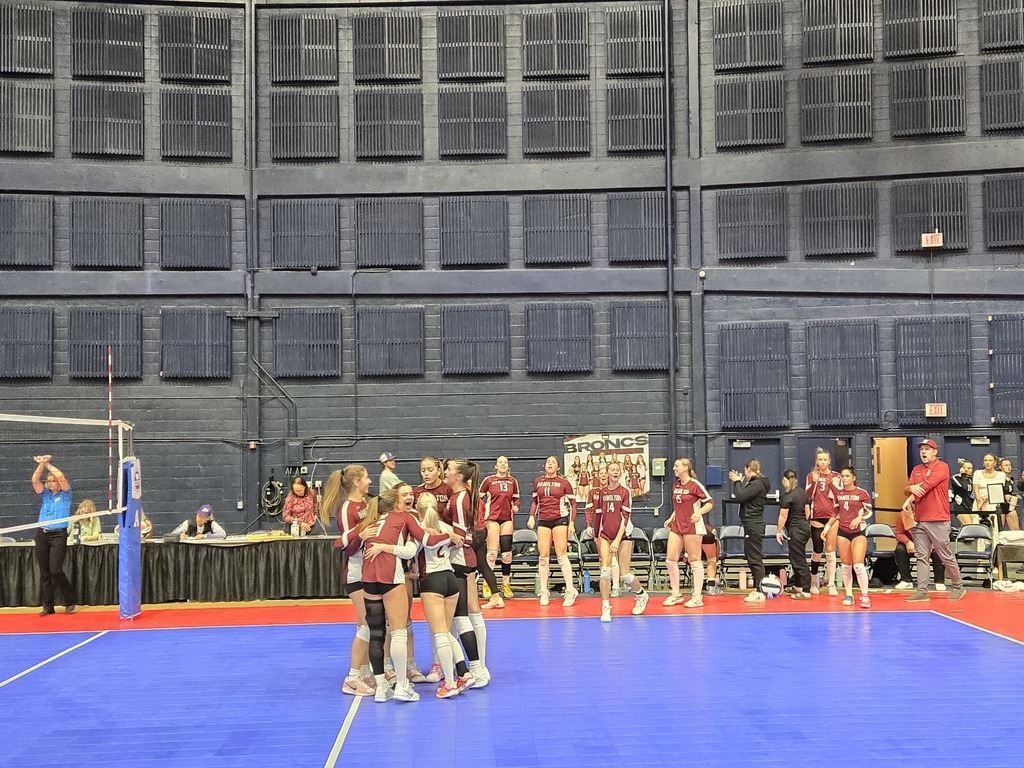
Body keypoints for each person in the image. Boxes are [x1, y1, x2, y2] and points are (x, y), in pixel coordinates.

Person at [340, 485, 460, 703]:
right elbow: (427, 541)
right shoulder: (404, 517)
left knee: (376, 632)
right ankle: (403, 686)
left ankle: (381, 687)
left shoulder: (370, 521)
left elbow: (339, 543)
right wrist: (449, 535)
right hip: (390, 576)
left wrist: (360, 536)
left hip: (368, 578)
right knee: (398, 631)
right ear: (396, 503)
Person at [321, 465, 375, 697]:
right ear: (356, 482)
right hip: (356, 573)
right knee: (365, 625)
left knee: (371, 624)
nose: (370, 481)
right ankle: (352, 678)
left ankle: (363, 671)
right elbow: (345, 546)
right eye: (366, 478)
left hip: (370, 571)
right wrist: (361, 536)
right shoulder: (347, 509)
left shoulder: (366, 504)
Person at [414, 492, 470, 698]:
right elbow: (461, 541)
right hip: (450, 578)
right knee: (446, 633)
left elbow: (416, 549)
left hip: (432, 580)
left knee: (439, 634)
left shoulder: (419, 528)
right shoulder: (445, 526)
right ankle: (463, 672)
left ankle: (449, 682)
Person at [444, 458, 490, 687]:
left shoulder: (460, 497)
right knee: (459, 617)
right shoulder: (460, 496)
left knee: (461, 617)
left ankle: (477, 670)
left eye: (450, 469)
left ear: (459, 476)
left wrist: (439, 539)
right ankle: (475, 667)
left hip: (459, 560)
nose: (446, 471)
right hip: (461, 560)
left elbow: (463, 536)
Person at [904, 440, 966, 602]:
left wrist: (912, 492)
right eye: (921, 449)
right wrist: (911, 489)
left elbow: (927, 486)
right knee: (921, 556)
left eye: (927, 449)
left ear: (935, 452)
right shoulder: (916, 469)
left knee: (945, 555)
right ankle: (922, 591)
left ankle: (958, 586)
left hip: (938, 518)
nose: (923, 452)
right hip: (919, 519)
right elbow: (907, 487)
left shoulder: (942, 467)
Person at [592, 461, 648, 622]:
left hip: (623, 535)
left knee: (625, 574)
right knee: (605, 570)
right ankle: (605, 607)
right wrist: (597, 535)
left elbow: (625, 517)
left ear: (620, 473)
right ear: (607, 473)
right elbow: (598, 515)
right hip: (605, 535)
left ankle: (641, 594)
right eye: (612, 470)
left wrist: (617, 540)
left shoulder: (625, 491)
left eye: (617, 469)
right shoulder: (601, 492)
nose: (615, 472)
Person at [527, 456, 579, 608]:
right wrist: (531, 516)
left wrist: (572, 523)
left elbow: (573, 504)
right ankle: (544, 591)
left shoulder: (564, 483)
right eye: (548, 462)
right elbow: (535, 501)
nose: (549, 464)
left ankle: (570, 590)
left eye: (553, 462)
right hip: (543, 519)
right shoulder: (538, 482)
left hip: (560, 519)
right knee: (543, 556)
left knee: (561, 555)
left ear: (558, 467)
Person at [663, 458, 714, 608]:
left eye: (677, 466)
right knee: (670, 560)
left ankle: (697, 597)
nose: (674, 468)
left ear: (686, 468)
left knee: (694, 560)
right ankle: (676, 594)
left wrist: (699, 512)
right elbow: (679, 505)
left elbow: (710, 502)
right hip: (677, 525)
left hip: (692, 526)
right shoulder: (676, 485)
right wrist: (671, 517)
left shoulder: (695, 485)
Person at [31, 455, 78, 616]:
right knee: (44, 572)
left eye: (53, 481)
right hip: (42, 534)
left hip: (58, 535)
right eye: (48, 481)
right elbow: (35, 480)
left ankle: (69, 600)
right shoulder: (45, 495)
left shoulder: (66, 494)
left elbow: (60, 476)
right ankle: (48, 606)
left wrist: (47, 464)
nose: (51, 483)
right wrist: (41, 465)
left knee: (55, 570)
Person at [828, 467, 873, 608]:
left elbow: (869, 511)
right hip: (843, 531)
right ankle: (849, 594)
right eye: (842, 476)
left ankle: (865, 596)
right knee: (846, 566)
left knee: (858, 565)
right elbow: (835, 512)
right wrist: (827, 527)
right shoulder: (838, 494)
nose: (844, 478)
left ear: (853, 477)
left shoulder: (862, 493)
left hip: (858, 532)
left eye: (847, 476)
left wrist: (860, 517)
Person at [479, 456, 520, 607]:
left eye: (505, 463)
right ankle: (487, 584)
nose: (503, 465)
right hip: (492, 518)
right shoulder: (489, 481)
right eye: (500, 463)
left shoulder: (513, 481)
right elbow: (479, 498)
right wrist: (482, 514)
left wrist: (516, 506)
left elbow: (516, 499)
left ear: (508, 466)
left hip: (507, 519)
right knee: (491, 553)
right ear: (495, 466)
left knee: (507, 554)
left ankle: (506, 583)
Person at [729, 459, 770, 603]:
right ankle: (758, 589)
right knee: (751, 556)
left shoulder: (757, 484)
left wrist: (736, 482)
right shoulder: (755, 484)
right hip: (750, 524)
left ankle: (760, 590)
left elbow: (740, 496)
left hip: (754, 524)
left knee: (754, 558)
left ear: (747, 469)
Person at [805, 448, 841, 596]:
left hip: (832, 516)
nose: (822, 462)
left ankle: (831, 584)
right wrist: (814, 481)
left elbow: (840, 495)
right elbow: (807, 495)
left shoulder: (836, 476)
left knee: (831, 550)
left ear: (829, 461)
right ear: (816, 461)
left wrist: (832, 483)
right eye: (820, 460)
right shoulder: (811, 475)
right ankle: (813, 581)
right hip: (817, 515)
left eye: (825, 460)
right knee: (817, 550)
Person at [776, 470, 812, 600]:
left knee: (799, 560)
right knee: (794, 557)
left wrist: (778, 531)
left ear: (784, 480)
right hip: (804, 528)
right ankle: (798, 585)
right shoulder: (802, 493)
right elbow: (808, 512)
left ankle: (806, 590)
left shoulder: (787, 495)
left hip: (795, 530)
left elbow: (783, 515)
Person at [894, 504, 946, 591]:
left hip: (930, 542)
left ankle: (939, 581)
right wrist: (908, 542)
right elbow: (899, 533)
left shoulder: (933, 514)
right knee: (900, 550)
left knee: (938, 551)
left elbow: (939, 533)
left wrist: (931, 544)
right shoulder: (903, 515)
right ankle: (906, 580)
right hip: (912, 543)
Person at [972, 453, 1005, 528]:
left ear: (995, 462)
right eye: (985, 460)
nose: (987, 462)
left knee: (993, 527)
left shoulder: (1001, 475)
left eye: (990, 460)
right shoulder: (977, 473)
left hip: (992, 503)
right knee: (979, 527)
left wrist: (984, 499)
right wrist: (979, 501)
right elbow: (976, 489)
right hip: (978, 503)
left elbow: (997, 490)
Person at [950, 460, 975, 527]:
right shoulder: (955, 478)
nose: (971, 470)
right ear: (962, 469)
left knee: (974, 526)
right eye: (968, 468)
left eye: (972, 468)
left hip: (970, 506)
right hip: (960, 506)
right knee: (970, 526)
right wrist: (963, 475)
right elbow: (963, 487)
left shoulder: (970, 479)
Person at [998, 458, 1020, 530]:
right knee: (999, 530)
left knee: (1016, 530)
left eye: (1010, 465)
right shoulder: (998, 478)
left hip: (1009, 506)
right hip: (1000, 506)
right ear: (1001, 467)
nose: (1008, 467)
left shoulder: (1011, 479)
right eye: (1006, 465)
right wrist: (1003, 495)